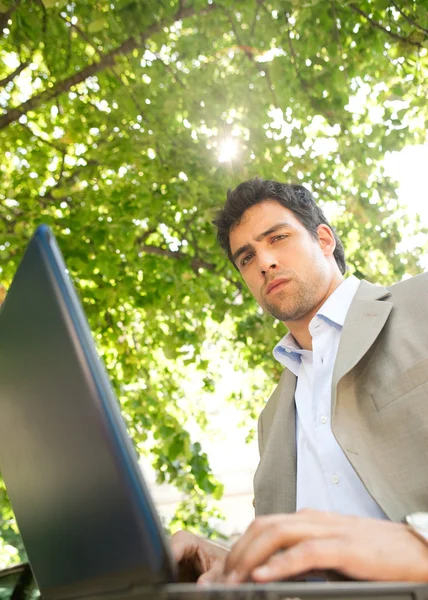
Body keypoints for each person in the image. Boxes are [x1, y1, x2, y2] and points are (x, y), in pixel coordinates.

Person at [171, 178, 428, 584]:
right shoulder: (271, 420)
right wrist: (227, 563)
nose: (264, 262)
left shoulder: (422, 304)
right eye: (246, 257)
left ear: (324, 239)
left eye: (278, 238)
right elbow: (294, 569)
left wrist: (419, 545)